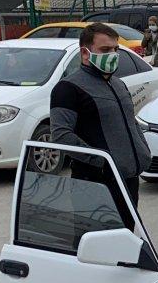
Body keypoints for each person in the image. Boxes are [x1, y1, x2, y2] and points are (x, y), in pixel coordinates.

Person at [50, 23, 152, 206]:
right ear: (85, 53)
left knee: (126, 233)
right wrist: (103, 162)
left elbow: (130, 121)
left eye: (115, 49)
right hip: (94, 184)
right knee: (95, 234)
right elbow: (60, 135)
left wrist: (143, 152)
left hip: (128, 180)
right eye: (105, 49)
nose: (112, 54)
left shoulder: (119, 84)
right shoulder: (67, 89)